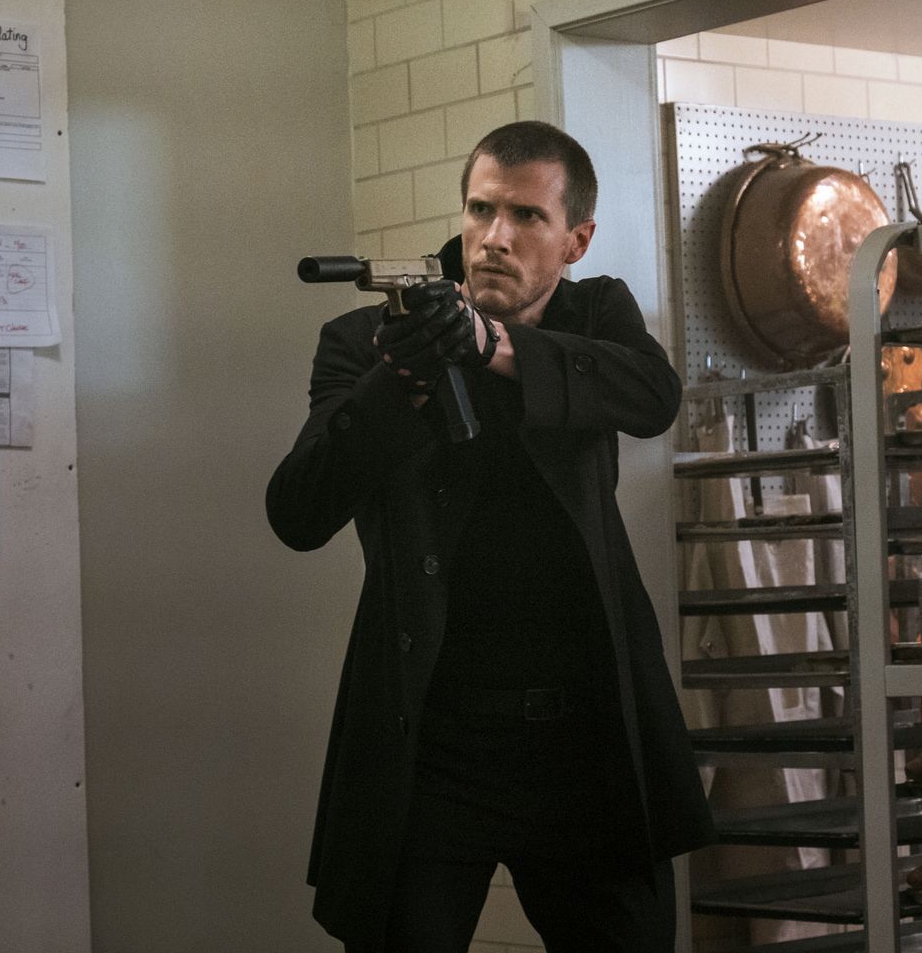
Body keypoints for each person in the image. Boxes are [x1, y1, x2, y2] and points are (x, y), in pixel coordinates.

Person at [267, 120, 713, 952]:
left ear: (576, 240)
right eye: (481, 210)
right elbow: (296, 513)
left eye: (527, 216)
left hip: (582, 741)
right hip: (431, 739)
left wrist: (493, 346)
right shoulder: (365, 339)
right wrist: (400, 378)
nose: (495, 238)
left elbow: (653, 397)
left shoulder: (596, 311)